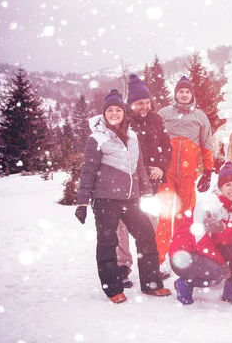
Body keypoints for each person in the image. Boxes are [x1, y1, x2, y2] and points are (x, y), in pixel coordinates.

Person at [74, 89, 171, 304]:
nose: (115, 113)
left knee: (146, 236)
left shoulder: (132, 136)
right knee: (108, 242)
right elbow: (88, 172)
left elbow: (140, 167)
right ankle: (113, 288)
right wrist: (82, 202)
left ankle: (152, 284)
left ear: (125, 113)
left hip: (131, 198)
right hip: (105, 200)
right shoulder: (96, 138)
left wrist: (146, 193)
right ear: (104, 113)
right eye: (110, 110)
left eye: (119, 109)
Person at [116, 74, 173, 288]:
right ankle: (122, 267)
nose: (145, 107)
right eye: (141, 103)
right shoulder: (123, 122)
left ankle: (151, 266)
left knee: (150, 226)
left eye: (147, 102)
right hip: (128, 186)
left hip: (152, 185)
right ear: (131, 104)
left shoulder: (156, 120)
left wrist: (161, 167)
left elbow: (166, 147)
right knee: (122, 227)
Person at [169, 161, 232, 305]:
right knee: (217, 274)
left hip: (204, 250)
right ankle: (184, 283)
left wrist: (222, 230)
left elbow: (230, 239)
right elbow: (200, 242)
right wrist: (222, 264)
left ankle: (231, 290)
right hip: (184, 254)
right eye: (228, 185)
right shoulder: (207, 205)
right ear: (220, 187)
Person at [156, 76, 215, 272]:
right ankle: (158, 260)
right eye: (180, 91)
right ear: (175, 94)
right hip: (166, 173)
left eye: (187, 91)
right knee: (164, 216)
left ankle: (180, 256)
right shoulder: (164, 114)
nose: (183, 94)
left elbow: (207, 145)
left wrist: (207, 171)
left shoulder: (200, 117)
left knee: (185, 216)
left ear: (191, 95)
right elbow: (152, 140)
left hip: (189, 175)